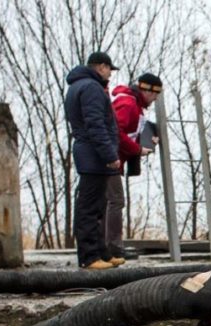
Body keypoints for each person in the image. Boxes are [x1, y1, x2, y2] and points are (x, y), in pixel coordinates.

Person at [63, 51, 120, 270]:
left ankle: (101, 253)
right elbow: (96, 124)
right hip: (93, 155)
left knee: (97, 206)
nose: (110, 75)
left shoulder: (79, 86)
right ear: (101, 67)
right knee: (89, 207)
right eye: (109, 69)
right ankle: (89, 256)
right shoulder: (92, 88)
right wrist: (109, 154)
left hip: (89, 153)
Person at [106, 73, 163, 265]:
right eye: (155, 94)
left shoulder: (136, 107)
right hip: (109, 160)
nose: (156, 99)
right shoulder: (128, 104)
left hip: (115, 159)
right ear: (146, 90)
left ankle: (111, 246)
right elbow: (116, 132)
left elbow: (131, 132)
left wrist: (149, 138)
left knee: (111, 202)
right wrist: (137, 149)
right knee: (115, 202)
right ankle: (112, 247)